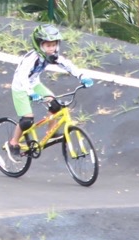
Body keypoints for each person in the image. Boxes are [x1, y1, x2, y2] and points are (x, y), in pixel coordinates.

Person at [6, 24, 94, 157]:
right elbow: (22, 77)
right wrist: (31, 93)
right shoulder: (31, 58)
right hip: (21, 87)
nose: (51, 48)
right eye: (48, 45)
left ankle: (50, 132)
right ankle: (13, 142)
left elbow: (68, 65)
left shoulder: (52, 56)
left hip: (35, 84)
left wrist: (82, 76)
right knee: (27, 120)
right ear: (39, 45)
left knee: (55, 105)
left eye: (54, 45)